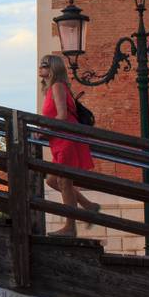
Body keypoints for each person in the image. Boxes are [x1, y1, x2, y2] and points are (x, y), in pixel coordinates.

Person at [39, 53, 100, 236]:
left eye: (43, 65)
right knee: (52, 180)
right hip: (59, 140)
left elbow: (62, 116)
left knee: (64, 182)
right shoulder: (51, 89)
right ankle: (89, 206)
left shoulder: (58, 86)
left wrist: (44, 131)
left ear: (53, 68)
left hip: (66, 139)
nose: (40, 68)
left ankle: (70, 227)